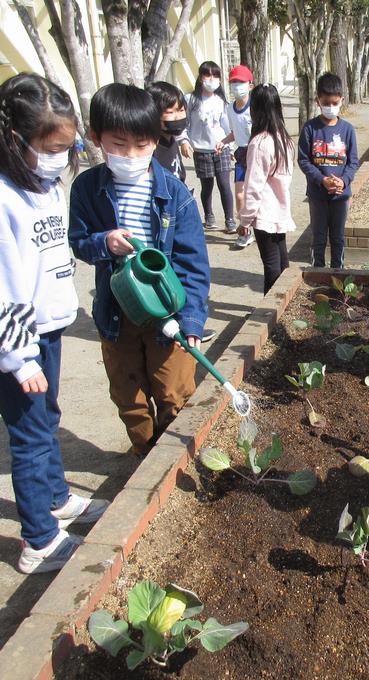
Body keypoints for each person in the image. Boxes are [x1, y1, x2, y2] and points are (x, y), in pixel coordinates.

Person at [0, 73, 109, 574]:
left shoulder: (42, 185)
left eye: (67, 147)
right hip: (20, 340)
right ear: (16, 140)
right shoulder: (5, 199)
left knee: (48, 420)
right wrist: (19, 358)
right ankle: (38, 539)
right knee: (28, 434)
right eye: (52, 147)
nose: (61, 157)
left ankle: (57, 497)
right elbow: (3, 284)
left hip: (48, 326)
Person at [69, 83, 210, 458]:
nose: (131, 154)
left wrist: (193, 321)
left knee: (174, 393)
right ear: (96, 137)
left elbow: (193, 263)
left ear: (156, 139)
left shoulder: (174, 193)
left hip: (169, 312)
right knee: (129, 397)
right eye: (118, 144)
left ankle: (174, 460)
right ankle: (144, 457)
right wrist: (104, 243)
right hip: (117, 314)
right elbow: (78, 240)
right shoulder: (86, 188)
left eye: (142, 144)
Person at [146, 81, 216, 344]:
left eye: (180, 111)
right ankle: (176, 331)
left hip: (181, 219)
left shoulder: (172, 141)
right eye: (170, 113)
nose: (178, 118)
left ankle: (189, 324)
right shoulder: (152, 151)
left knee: (189, 273)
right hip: (166, 226)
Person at [298, 72, 359, 269]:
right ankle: (318, 273)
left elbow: (353, 161)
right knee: (318, 237)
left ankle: (337, 274)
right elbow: (303, 160)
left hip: (340, 196)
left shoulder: (348, 129)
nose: (330, 107)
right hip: (317, 195)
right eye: (326, 103)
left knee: (338, 237)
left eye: (334, 103)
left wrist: (344, 181)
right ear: (318, 100)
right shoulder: (310, 128)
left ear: (342, 99)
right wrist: (321, 179)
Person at [240, 84, 296, 294]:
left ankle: (270, 313)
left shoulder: (260, 142)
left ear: (255, 110)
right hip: (280, 210)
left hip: (264, 213)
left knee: (272, 265)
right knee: (282, 262)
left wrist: (245, 220)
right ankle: (282, 303)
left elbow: (253, 186)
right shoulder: (284, 139)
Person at [183, 61, 236, 233]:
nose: (211, 79)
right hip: (201, 150)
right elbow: (185, 124)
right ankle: (209, 217)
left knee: (224, 184)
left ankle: (230, 220)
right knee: (207, 186)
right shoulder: (190, 99)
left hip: (221, 148)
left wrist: (231, 147)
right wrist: (184, 141)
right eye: (207, 75)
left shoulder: (221, 101)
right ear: (200, 77)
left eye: (215, 75)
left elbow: (227, 127)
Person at [224, 64, 255, 248]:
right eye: (233, 82)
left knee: (256, 192)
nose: (237, 86)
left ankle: (260, 226)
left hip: (257, 153)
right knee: (240, 194)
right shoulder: (230, 108)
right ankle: (245, 231)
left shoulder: (255, 107)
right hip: (241, 153)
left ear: (250, 84)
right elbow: (235, 133)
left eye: (240, 82)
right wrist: (224, 142)